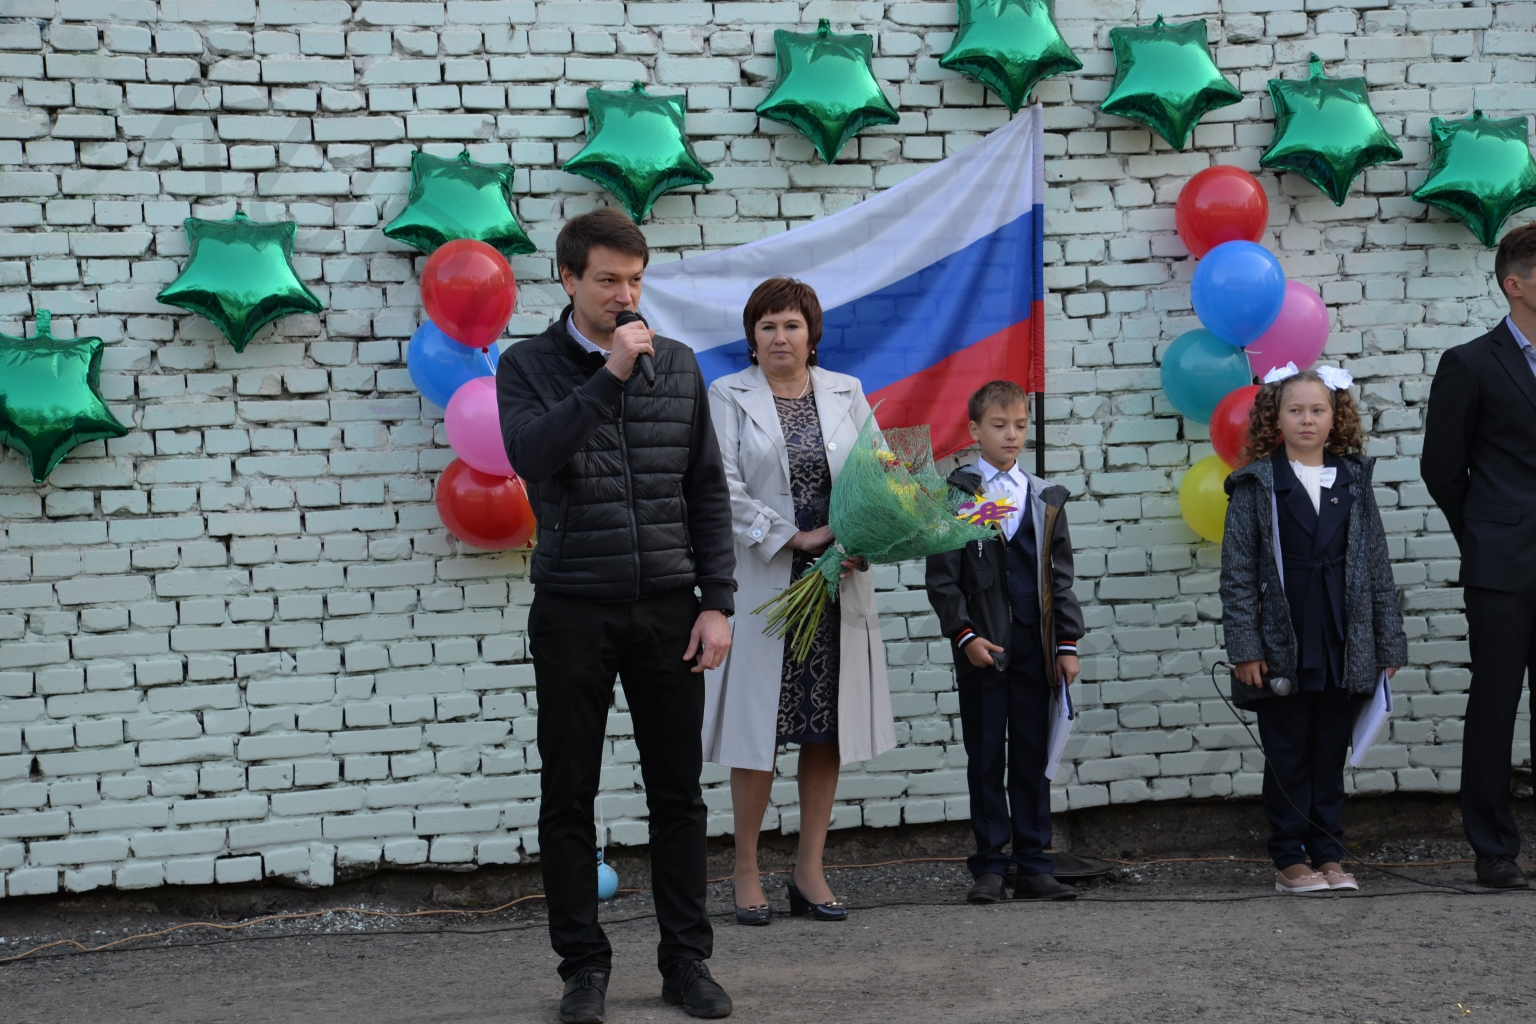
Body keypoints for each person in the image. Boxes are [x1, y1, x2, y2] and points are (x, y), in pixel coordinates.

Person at [497, 207, 735, 1022]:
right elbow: (532, 454)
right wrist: (609, 374)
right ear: (568, 279)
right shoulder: (527, 366)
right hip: (573, 609)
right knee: (569, 794)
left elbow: (706, 491)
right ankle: (583, 970)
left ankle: (686, 964)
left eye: (634, 280)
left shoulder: (680, 365)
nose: (624, 296)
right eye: (607, 281)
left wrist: (717, 604)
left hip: (669, 608)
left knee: (678, 795)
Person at [701, 277, 896, 926]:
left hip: (837, 581)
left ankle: (809, 870)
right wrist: (794, 537)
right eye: (767, 326)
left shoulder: (847, 392)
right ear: (752, 339)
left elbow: (878, 473)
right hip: (768, 583)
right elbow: (720, 487)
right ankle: (746, 869)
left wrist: (866, 536)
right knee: (756, 734)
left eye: (791, 325)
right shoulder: (727, 395)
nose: (779, 337)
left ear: (812, 336)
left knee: (825, 728)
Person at [1221, 366, 1406, 895]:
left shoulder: (1354, 481)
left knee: (1330, 749)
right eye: (1295, 410)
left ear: (1334, 418)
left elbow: (1376, 567)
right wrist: (1246, 647)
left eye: (1317, 410)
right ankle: (1288, 858)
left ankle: (1327, 852)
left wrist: (1387, 643)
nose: (1307, 419)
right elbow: (1237, 576)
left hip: (1343, 638)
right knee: (1288, 751)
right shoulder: (1256, 485)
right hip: (1284, 640)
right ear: (1275, 418)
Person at [925, 380, 1084, 904]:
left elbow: (1060, 578)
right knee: (988, 756)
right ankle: (990, 866)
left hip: (1035, 649)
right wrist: (965, 635)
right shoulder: (960, 495)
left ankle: (1034, 864)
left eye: (1019, 425)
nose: (1011, 434)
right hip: (984, 651)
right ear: (975, 430)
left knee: (1033, 756)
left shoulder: (1044, 498)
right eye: (999, 425)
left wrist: (1066, 644)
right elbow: (943, 578)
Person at [1422, 222, 1536, 889]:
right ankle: (1493, 849)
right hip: (1501, 565)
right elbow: (1442, 469)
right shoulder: (1468, 363)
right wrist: (1485, 535)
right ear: (1514, 285)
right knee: (1495, 704)